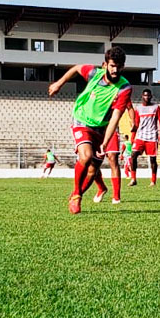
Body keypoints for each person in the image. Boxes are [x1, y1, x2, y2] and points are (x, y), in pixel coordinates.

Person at [48, 46, 131, 214]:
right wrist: (58, 83)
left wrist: (106, 142)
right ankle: (77, 196)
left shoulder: (124, 88)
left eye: (119, 66)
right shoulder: (94, 74)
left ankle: (76, 194)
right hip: (82, 120)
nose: (115, 70)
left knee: (93, 171)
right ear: (105, 65)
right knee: (85, 157)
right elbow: (77, 68)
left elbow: (115, 117)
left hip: (102, 128)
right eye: (112, 65)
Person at [129, 88, 160, 187]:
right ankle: (133, 179)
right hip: (140, 136)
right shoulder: (138, 108)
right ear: (142, 96)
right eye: (145, 95)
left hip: (152, 137)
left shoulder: (156, 107)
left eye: (148, 95)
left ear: (151, 96)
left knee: (152, 160)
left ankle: (153, 181)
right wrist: (133, 137)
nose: (147, 97)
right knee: (133, 155)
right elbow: (136, 123)